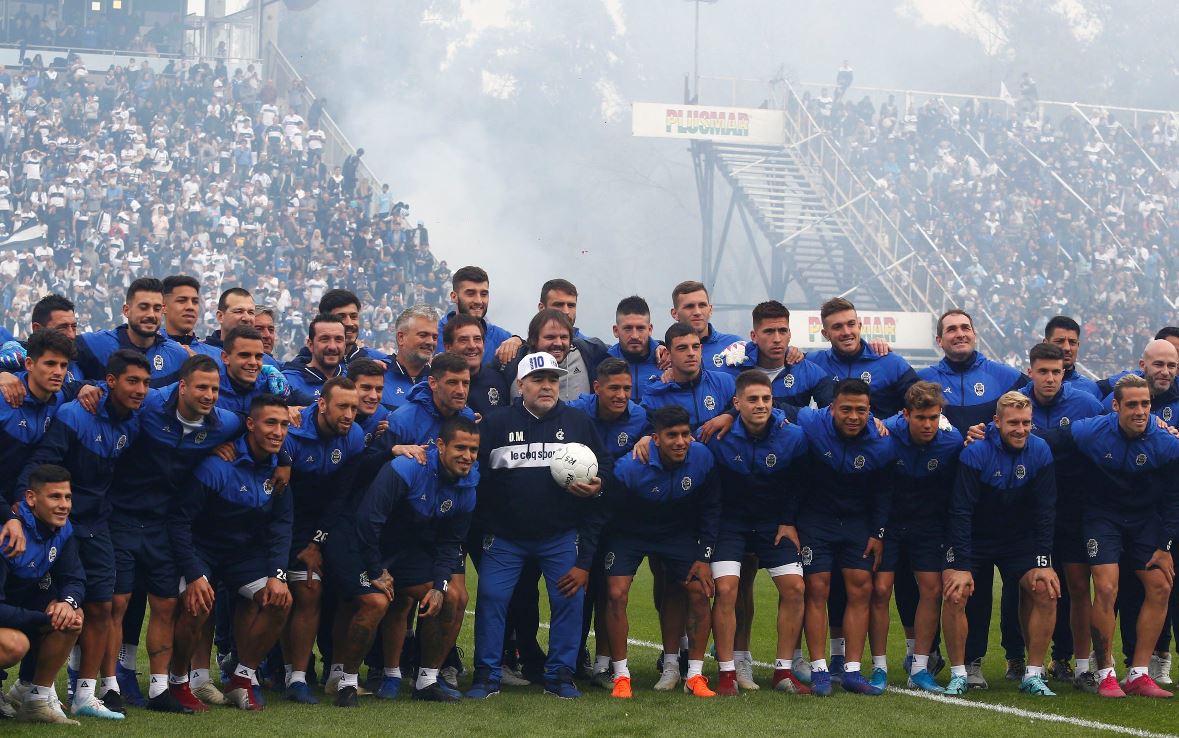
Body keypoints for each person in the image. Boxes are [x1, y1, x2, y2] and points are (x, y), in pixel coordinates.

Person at [466, 352, 612, 700]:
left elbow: (604, 466)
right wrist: (489, 524)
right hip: (504, 539)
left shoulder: (578, 423)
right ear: (520, 385)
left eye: (552, 379)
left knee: (568, 601)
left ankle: (560, 676)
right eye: (537, 379)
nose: (546, 386)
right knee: (491, 598)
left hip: (560, 536)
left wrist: (600, 483)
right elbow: (476, 479)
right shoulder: (495, 424)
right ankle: (487, 675)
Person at [108, 355, 244, 714]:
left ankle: (158, 691)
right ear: (182, 386)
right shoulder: (149, 403)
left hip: (163, 524)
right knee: (116, 604)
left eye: (215, 388)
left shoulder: (224, 422)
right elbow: (110, 397)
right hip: (121, 516)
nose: (209, 395)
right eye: (201, 387)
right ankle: (104, 686)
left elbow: (253, 426)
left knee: (166, 606)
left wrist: (283, 462)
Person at [19, 350, 150, 720]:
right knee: (46, 607)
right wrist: (21, 510)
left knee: (102, 606)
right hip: (61, 525)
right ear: (110, 382)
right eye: (132, 381)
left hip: (98, 522)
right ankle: (29, 688)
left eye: (145, 382)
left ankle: (84, 694)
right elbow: (41, 465)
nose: (140, 390)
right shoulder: (75, 414)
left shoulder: (135, 420)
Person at [324, 416, 480, 706]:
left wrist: (439, 584)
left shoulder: (469, 482)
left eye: (473, 450)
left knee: (447, 597)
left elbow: (450, 542)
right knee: (376, 602)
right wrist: (376, 570)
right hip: (357, 541)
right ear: (441, 445)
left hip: (401, 548)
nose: (468, 456)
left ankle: (426, 681)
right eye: (461, 447)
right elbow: (368, 520)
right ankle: (345, 683)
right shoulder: (409, 467)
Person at [167, 395, 294, 712]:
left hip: (243, 554)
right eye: (270, 423)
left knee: (281, 600)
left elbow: (282, 525)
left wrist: (278, 575)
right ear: (250, 424)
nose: (278, 431)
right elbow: (179, 520)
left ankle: (242, 679)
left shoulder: (280, 471)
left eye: (284, 424)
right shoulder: (216, 464)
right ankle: (179, 682)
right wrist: (194, 573)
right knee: (197, 604)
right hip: (202, 549)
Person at [1056, 375, 1179, 698]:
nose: (1140, 411)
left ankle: (1139, 674)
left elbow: (1174, 499)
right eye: (1133, 404)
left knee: (1161, 585)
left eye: (1146, 404)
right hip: (1102, 518)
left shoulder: (1167, 443)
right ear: (1116, 406)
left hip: (1144, 521)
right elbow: (1048, 439)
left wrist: (1165, 546)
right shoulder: (1090, 431)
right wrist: (990, 432)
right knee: (1107, 586)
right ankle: (1106, 673)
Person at [941, 391, 1059, 697]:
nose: (1021, 429)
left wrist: (1043, 562)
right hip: (976, 537)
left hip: (1018, 539)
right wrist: (962, 566)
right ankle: (959, 673)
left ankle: (1032, 675)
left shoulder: (1041, 450)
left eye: (1026, 422)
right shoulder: (975, 452)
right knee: (956, 593)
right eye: (1013, 423)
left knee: (1046, 589)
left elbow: (1045, 510)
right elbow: (961, 511)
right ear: (997, 421)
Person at [705, 371, 810, 695]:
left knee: (795, 588)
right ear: (736, 404)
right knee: (726, 590)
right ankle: (726, 674)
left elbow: (799, 484)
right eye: (752, 399)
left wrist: (788, 520)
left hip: (772, 525)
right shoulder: (715, 435)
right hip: (729, 525)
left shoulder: (792, 436)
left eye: (766, 398)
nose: (761, 405)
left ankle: (782, 673)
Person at [605, 405, 719, 699]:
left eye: (685, 434)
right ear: (655, 438)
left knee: (699, 590)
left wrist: (704, 556)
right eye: (672, 435)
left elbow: (711, 508)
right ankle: (621, 677)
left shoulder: (702, 457)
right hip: (629, 533)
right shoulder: (629, 467)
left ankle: (693, 674)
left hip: (676, 533)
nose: (680, 441)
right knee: (616, 593)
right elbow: (606, 513)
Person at [793, 379, 896, 696]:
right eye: (846, 409)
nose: (853, 416)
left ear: (870, 411)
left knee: (861, 589)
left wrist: (878, 533)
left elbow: (883, 492)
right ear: (832, 408)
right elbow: (774, 408)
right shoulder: (811, 422)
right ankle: (820, 669)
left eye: (861, 410)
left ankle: (852, 670)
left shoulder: (882, 442)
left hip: (856, 524)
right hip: (816, 521)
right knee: (817, 589)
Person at [1017, 343, 1104, 688]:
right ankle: (1031, 664)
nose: (1050, 378)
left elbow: (1109, 431)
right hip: (1030, 509)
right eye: (1043, 371)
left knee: (1079, 586)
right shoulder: (1017, 403)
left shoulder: (1085, 403)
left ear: (1064, 372)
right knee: (1033, 587)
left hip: (1073, 508)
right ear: (1031, 371)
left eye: (1057, 371)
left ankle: (1082, 666)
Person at [279, 377, 365, 704]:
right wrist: (303, 541)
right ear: (322, 404)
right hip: (289, 518)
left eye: (354, 408)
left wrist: (318, 540)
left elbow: (341, 494)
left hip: (329, 520)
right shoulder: (293, 434)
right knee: (307, 590)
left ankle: (336, 673)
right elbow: (282, 495)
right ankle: (295, 677)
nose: (349, 414)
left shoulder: (354, 437)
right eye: (342, 406)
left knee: (343, 591)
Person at [874, 382, 963, 693]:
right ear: (906, 414)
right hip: (889, 524)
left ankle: (920, 667)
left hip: (927, 526)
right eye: (921, 417)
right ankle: (879, 668)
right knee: (881, 590)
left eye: (934, 417)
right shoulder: (885, 435)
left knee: (932, 589)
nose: (928, 425)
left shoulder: (952, 442)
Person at [566, 358, 648, 688]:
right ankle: (570, 659)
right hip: (578, 514)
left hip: (618, 515)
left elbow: (658, 434)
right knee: (578, 589)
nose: (621, 394)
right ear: (597, 388)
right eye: (614, 388)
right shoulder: (576, 412)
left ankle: (601, 664)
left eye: (627, 388)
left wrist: (650, 436)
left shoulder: (640, 417)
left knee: (605, 589)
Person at [0, 465, 85, 725]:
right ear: (31, 498)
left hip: (17, 610)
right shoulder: (8, 535)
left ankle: (35, 698)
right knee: (14, 644)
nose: (63, 505)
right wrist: (43, 618)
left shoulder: (62, 529)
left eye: (67, 497)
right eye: (54, 497)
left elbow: (75, 578)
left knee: (72, 616)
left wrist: (67, 604)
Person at [917, 309, 1027, 434]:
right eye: (952, 329)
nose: (960, 334)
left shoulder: (1007, 376)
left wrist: (988, 437)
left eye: (965, 328)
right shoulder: (922, 381)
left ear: (974, 336)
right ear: (939, 340)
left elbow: (1040, 406)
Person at [807, 297, 917, 418]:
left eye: (851, 324)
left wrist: (888, 427)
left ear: (859, 326)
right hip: (829, 437)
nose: (846, 332)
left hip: (878, 437)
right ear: (825, 334)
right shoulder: (814, 362)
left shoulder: (891, 363)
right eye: (837, 327)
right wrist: (793, 352)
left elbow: (921, 408)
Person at [73, 278, 188, 388]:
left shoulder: (177, 355)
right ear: (126, 311)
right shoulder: (97, 344)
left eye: (157, 309)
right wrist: (79, 387)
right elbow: (60, 355)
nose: (151, 315)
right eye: (144, 307)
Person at [716, 301, 831, 410]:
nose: (777, 339)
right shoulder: (733, 367)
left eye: (782, 331)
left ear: (789, 334)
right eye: (769, 331)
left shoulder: (807, 371)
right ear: (754, 336)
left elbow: (830, 417)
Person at [642, 323, 736, 430]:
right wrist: (647, 438)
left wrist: (730, 415)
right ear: (668, 354)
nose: (691, 353)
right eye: (682, 348)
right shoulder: (655, 396)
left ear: (701, 349)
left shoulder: (725, 382)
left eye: (695, 347)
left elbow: (749, 405)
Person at [504, 309, 606, 402]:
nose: (558, 343)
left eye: (564, 337)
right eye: (550, 337)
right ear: (533, 340)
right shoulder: (513, 360)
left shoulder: (588, 351)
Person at [436, 266, 515, 363]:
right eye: (470, 293)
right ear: (454, 296)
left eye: (483, 294)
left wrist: (518, 341)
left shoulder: (502, 339)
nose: (478, 301)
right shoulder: (434, 335)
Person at [216, 326, 293, 416]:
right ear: (225, 358)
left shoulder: (271, 387)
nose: (253, 362)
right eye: (245, 355)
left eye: (258, 357)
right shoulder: (212, 390)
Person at [443, 313, 509, 417]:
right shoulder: (438, 386)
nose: (472, 346)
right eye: (463, 340)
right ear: (448, 347)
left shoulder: (499, 379)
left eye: (477, 339)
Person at [1101, 339, 1179, 426]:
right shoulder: (1121, 394)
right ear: (1142, 365)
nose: (1165, 372)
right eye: (1158, 364)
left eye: (1171, 366)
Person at [668, 280, 741, 371]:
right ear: (675, 314)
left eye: (702, 305)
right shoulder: (664, 355)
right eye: (689, 306)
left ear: (710, 310)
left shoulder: (736, 346)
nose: (697, 312)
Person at [381, 305, 438, 410]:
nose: (430, 342)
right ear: (401, 338)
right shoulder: (378, 375)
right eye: (423, 335)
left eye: (434, 337)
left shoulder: (439, 381)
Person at [606, 296, 662, 403]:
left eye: (640, 328)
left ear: (650, 329)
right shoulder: (604, 363)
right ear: (616, 330)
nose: (635, 336)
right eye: (628, 328)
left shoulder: (666, 361)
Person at [282, 314, 346, 403]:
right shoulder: (289, 381)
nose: (332, 347)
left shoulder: (352, 377)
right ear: (310, 345)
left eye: (338, 339)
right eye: (325, 339)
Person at [316, 289, 389, 366]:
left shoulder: (382, 363)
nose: (350, 323)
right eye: (341, 317)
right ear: (323, 320)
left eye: (353, 317)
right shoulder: (307, 370)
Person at [1043, 316, 1102, 400]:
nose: (1067, 348)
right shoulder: (1028, 388)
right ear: (1045, 344)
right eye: (1059, 341)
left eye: (1072, 342)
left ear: (1078, 345)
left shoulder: (1091, 389)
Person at [161, 275, 203, 346]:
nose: (190, 307)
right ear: (164, 307)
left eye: (195, 302)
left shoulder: (216, 354)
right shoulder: (147, 352)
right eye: (182, 301)